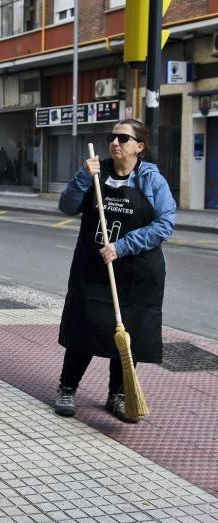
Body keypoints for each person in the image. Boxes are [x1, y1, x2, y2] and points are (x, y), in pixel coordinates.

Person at [55, 119, 176, 423]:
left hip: (135, 272)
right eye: (113, 137)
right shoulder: (96, 173)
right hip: (92, 268)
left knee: (127, 335)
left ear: (140, 147)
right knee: (84, 327)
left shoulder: (152, 181)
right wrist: (83, 177)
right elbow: (67, 206)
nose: (115, 142)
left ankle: (118, 394)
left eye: (124, 138)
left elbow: (165, 224)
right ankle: (67, 388)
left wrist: (122, 246)